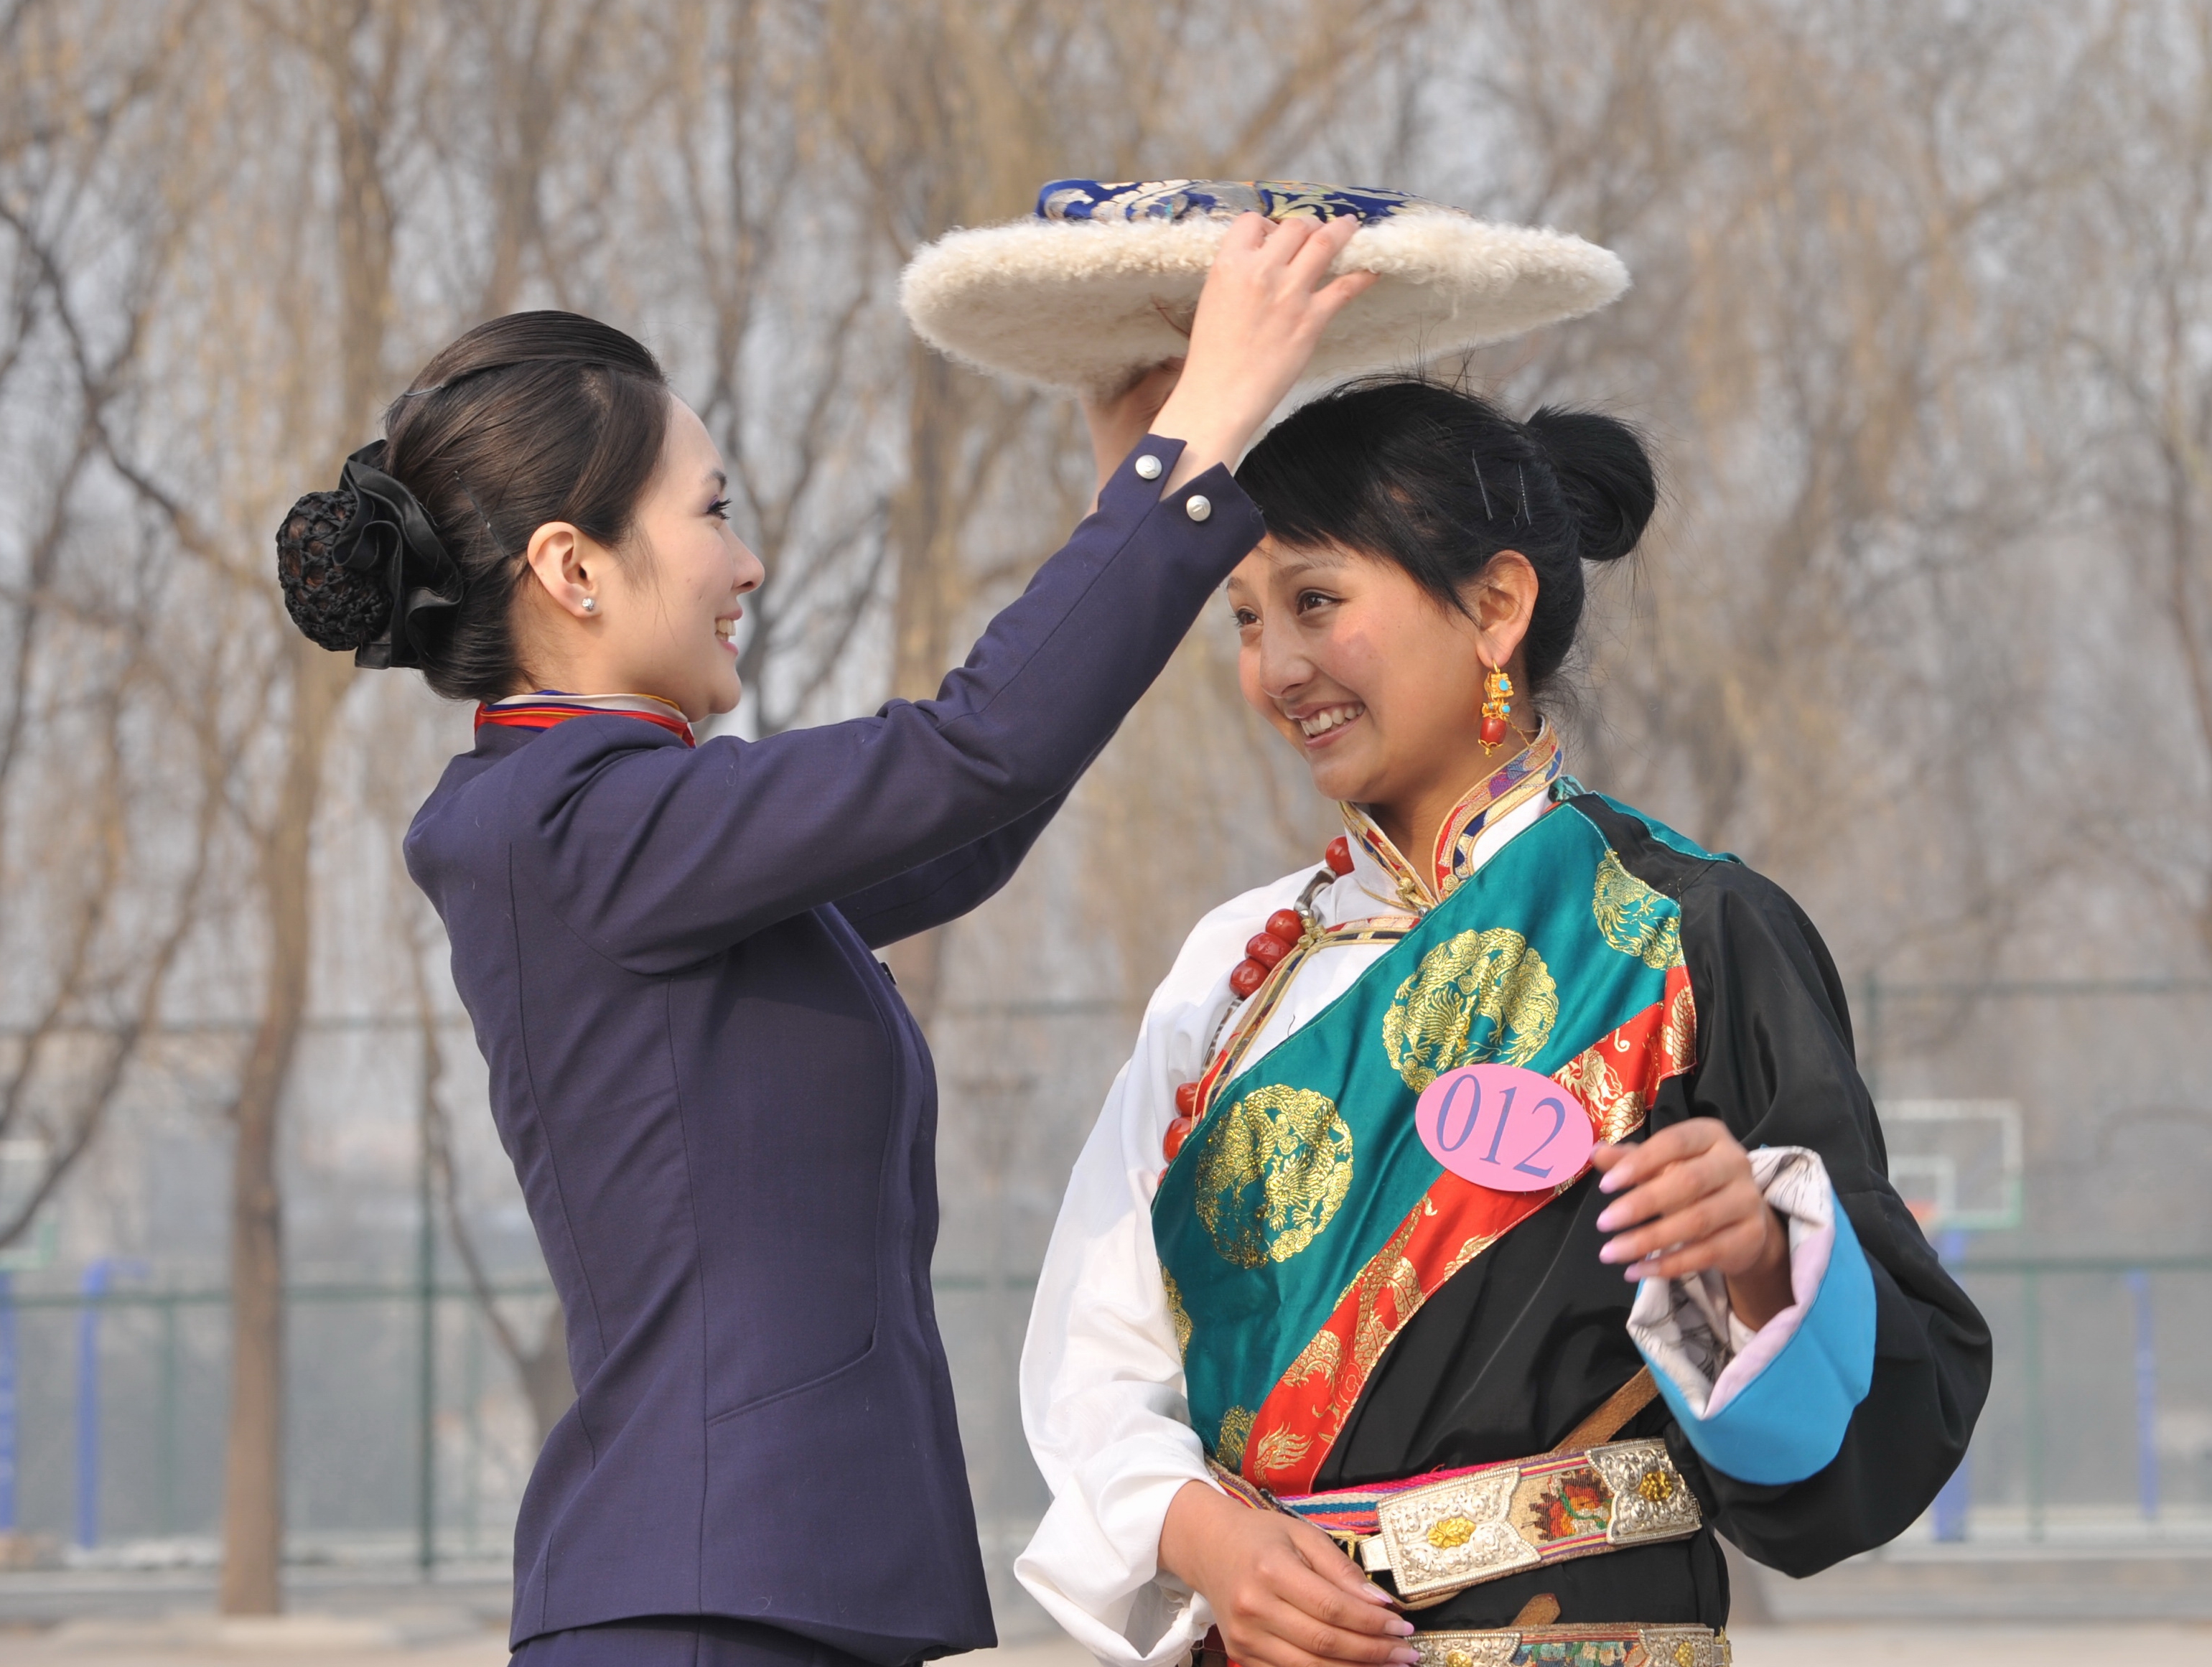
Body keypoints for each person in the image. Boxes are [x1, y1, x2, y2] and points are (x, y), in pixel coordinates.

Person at [271, 215, 1376, 1667]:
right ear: (573, 568)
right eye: (712, 512)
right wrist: (1201, 431)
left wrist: (1141, 498)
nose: (747, 563)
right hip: (703, 1602)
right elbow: (972, 753)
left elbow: (964, 820)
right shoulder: (571, 824)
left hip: (762, 1586)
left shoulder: (627, 833)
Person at [1017, 379, 1992, 1667]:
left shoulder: (1685, 935)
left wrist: (1762, 1258)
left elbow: (1888, 1423)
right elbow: (1097, 1355)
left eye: (1316, 601)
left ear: (1494, 606)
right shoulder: (1229, 974)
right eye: (1246, 618)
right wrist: (1203, 1536)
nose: (1276, 668)